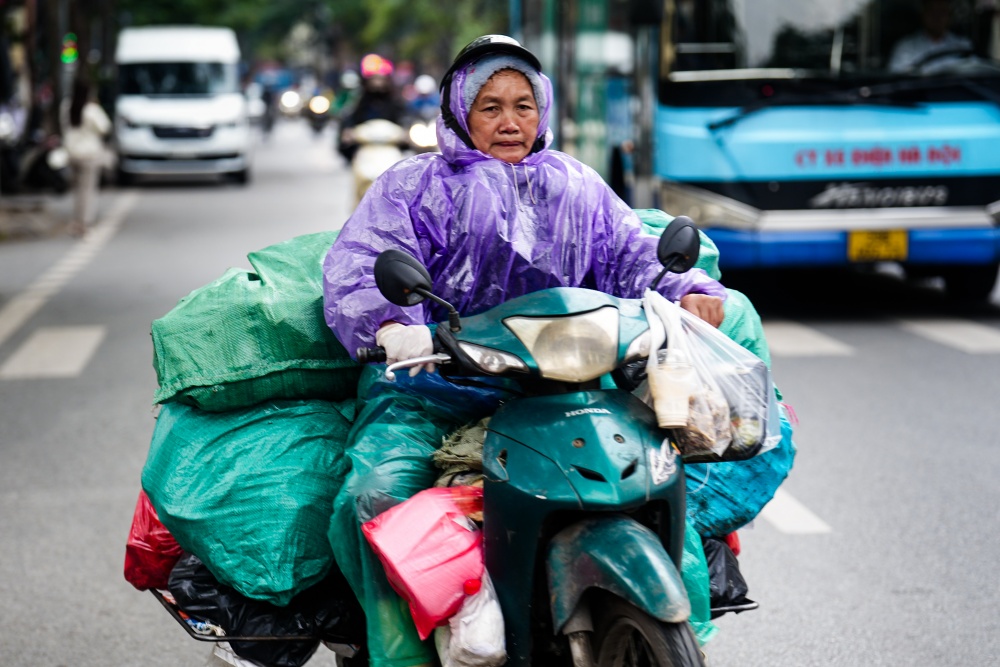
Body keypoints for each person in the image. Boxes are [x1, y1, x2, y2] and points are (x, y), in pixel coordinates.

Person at [321, 35, 727, 667]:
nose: (510, 122)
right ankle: (399, 650)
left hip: (562, 387)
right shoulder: (411, 186)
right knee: (375, 494)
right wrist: (391, 325)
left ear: (544, 111)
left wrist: (691, 286)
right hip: (435, 390)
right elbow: (359, 271)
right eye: (489, 106)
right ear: (459, 113)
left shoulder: (576, 185)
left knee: (665, 474)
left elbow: (632, 252)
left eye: (523, 105)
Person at [60, 74, 111, 235]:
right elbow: (105, 127)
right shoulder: (91, 109)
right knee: (87, 191)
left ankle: (76, 221)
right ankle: (84, 223)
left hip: (72, 153)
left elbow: (64, 127)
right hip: (89, 155)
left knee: (77, 191)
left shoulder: (66, 106)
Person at [336, 57, 408, 164]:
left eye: (381, 79)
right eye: (374, 79)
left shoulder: (395, 102)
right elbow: (350, 119)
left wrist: (406, 132)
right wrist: (347, 133)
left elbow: (404, 118)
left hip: (390, 151)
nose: (378, 83)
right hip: (365, 152)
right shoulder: (359, 101)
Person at [888, 0, 973, 72]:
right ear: (923, 14)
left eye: (942, 12)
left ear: (949, 16)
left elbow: (976, 72)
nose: (937, 17)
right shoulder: (905, 48)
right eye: (932, 11)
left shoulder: (963, 46)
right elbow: (897, 83)